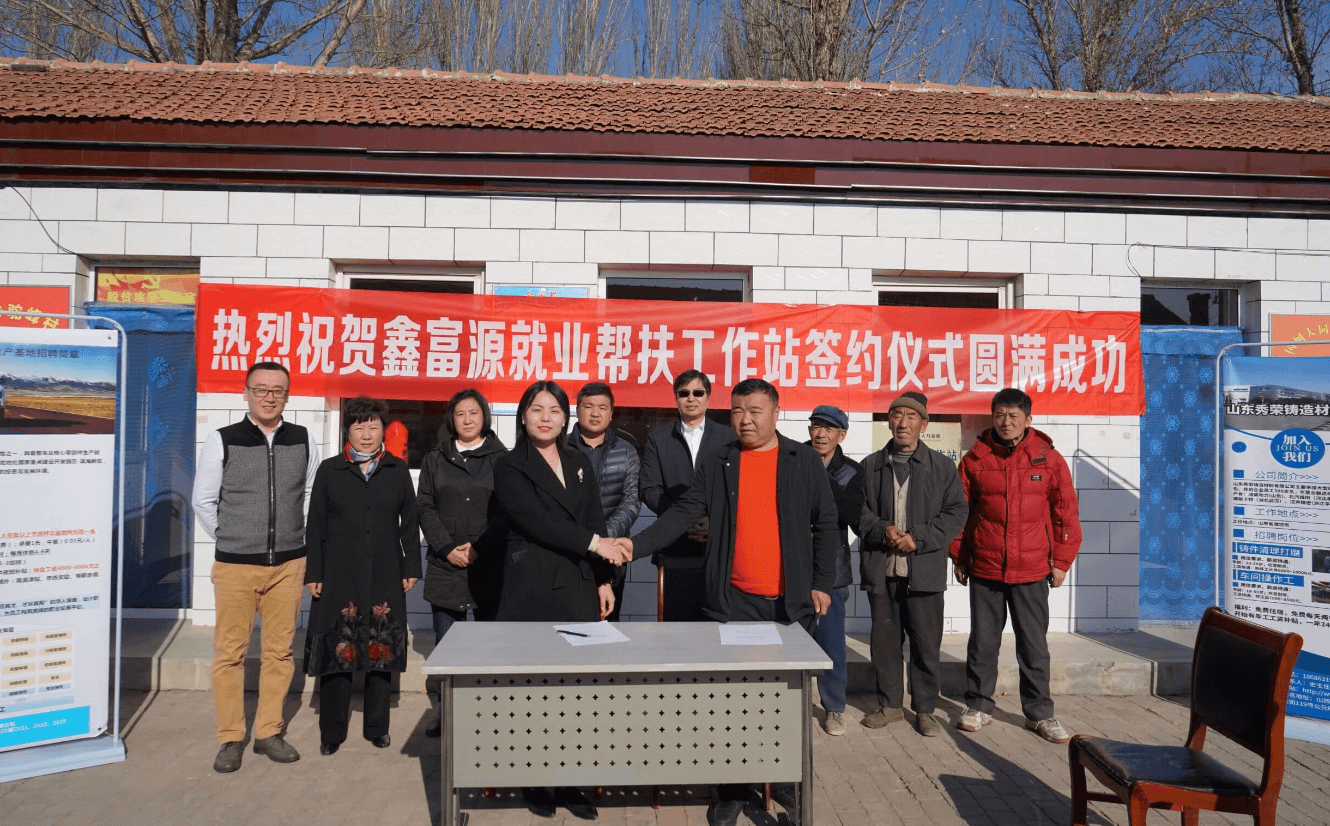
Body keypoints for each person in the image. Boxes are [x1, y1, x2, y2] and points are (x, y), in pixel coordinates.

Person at [617, 378, 839, 826]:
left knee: (785, 702)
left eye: (755, 411)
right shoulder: (720, 460)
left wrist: (822, 582)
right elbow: (683, 513)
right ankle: (732, 790)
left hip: (788, 605)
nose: (746, 420)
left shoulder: (801, 460)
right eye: (738, 411)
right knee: (733, 700)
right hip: (733, 602)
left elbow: (827, 522)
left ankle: (787, 786)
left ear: (776, 413)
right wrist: (633, 546)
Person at [493, 380, 622, 820]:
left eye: (554, 410)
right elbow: (536, 521)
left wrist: (603, 579)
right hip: (531, 588)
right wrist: (596, 544)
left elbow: (595, 518)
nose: (545, 418)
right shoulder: (509, 466)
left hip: (579, 584)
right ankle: (534, 781)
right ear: (523, 416)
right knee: (535, 689)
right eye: (537, 409)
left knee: (575, 690)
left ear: (566, 418)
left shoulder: (578, 460)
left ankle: (570, 781)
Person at [191, 361, 319, 773]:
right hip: (235, 567)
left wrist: (295, 534)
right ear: (245, 393)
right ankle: (231, 737)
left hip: (288, 564)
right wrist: (231, 538)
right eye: (261, 389)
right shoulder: (222, 439)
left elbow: (309, 493)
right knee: (230, 654)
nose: (269, 397)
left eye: (277, 390)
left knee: (279, 653)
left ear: (287, 396)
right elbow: (203, 501)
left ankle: (268, 732)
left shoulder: (302, 438)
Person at [950, 387, 1082, 744]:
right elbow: (960, 513)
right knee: (983, 643)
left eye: (1013, 416)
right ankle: (978, 705)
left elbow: (1066, 513)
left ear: (1028, 419)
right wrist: (959, 555)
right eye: (999, 415)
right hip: (986, 567)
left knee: (1033, 645)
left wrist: (1061, 561)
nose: (1005, 422)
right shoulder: (975, 460)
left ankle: (1039, 714)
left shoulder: (1048, 459)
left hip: (1032, 569)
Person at [303, 396, 420, 755]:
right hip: (339, 573)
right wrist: (314, 571)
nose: (367, 435)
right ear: (347, 430)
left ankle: (376, 727)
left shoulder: (396, 470)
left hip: (385, 571)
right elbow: (315, 525)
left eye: (373, 426)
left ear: (384, 429)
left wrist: (411, 567)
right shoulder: (330, 470)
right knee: (338, 654)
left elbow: (410, 522)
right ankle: (332, 731)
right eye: (359, 426)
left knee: (379, 653)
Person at [857, 392, 967, 737]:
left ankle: (925, 709)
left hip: (925, 571)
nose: (902, 423)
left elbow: (956, 512)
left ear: (924, 423)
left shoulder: (941, 467)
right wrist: (882, 529)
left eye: (911, 417)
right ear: (889, 421)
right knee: (885, 643)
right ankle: (890, 705)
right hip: (882, 569)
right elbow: (857, 510)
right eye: (896, 415)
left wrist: (918, 537)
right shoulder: (871, 465)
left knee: (925, 644)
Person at [416, 389, 508, 737]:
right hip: (446, 566)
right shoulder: (435, 458)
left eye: (474, 413)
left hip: (488, 566)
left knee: (490, 644)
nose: (467, 420)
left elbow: (506, 510)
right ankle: (449, 713)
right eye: (460, 414)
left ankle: (489, 713)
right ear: (451, 420)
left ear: (484, 416)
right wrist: (445, 547)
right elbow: (425, 506)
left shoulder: (502, 458)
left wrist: (480, 548)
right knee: (447, 645)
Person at [639, 369, 732, 620]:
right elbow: (649, 489)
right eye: (684, 393)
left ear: (708, 397)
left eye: (698, 393)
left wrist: (713, 521)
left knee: (716, 627)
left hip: (718, 548)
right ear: (676, 398)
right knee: (676, 627)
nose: (691, 398)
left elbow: (735, 489)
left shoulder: (728, 438)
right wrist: (683, 520)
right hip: (674, 548)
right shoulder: (658, 440)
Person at [804, 404, 864, 737]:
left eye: (828, 429)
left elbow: (851, 514)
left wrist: (819, 477)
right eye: (816, 426)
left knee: (831, 642)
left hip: (833, 569)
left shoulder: (852, 472)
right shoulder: (794, 459)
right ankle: (792, 704)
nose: (821, 434)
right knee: (790, 638)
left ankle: (834, 708)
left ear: (841, 435)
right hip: (794, 566)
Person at [568, 382, 640, 621]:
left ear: (611, 413)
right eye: (588, 406)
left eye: (602, 407)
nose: (595, 413)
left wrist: (602, 539)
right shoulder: (560, 448)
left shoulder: (627, 452)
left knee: (607, 622)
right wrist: (584, 539)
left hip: (611, 553)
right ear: (578, 410)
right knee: (567, 624)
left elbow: (631, 501)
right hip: (570, 550)